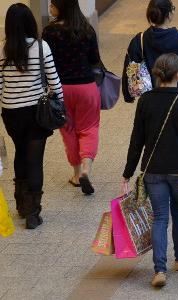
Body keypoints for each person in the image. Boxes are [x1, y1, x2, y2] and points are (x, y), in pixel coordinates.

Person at [122, 53, 178, 288]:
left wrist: (128, 171)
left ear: (157, 74)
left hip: (154, 170)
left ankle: (159, 269)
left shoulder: (146, 101)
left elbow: (136, 139)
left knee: (160, 217)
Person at [0, 3, 63, 229]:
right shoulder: (41, 47)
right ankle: (33, 213)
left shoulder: (4, 49)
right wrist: (60, 103)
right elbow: (54, 81)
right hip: (35, 111)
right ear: (30, 22)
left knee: (20, 152)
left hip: (11, 111)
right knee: (35, 160)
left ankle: (21, 204)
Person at [43, 0, 101, 195]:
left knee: (68, 129)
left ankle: (76, 174)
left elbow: (46, 63)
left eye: (52, 4)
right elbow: (95, 59)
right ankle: (86, 168)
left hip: (61, 89)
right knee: (89, 128)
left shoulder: (49, 32)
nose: (50, 8)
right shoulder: (87, 29)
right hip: (86, 87)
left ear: (62, 6)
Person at [122, 0, 178, 102]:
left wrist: (128, 96)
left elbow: (130, 69)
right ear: (169, 14)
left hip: (150, 99)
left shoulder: (139, 40)